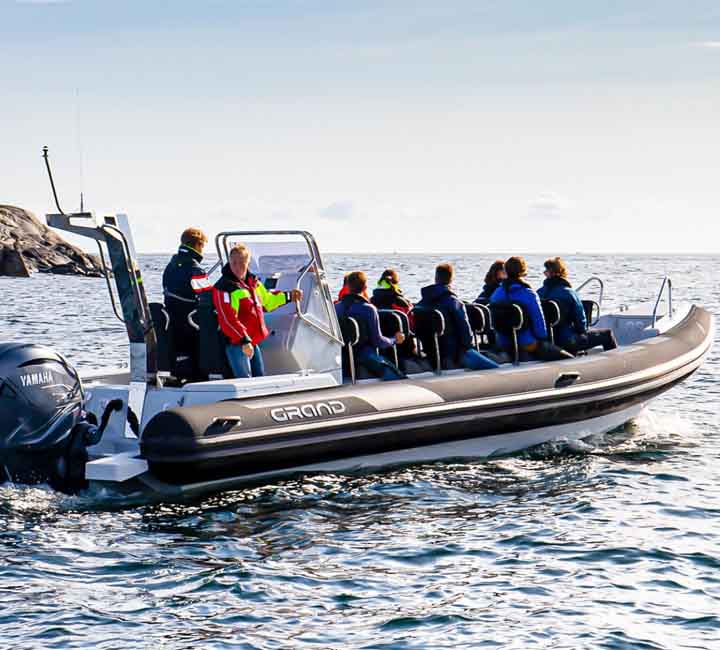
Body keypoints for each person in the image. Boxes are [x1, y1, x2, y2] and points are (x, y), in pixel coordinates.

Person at [213, 243, 303, 378]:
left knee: (259, 377)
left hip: (252, 342)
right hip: (237, 344)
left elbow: (268, 301)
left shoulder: (254, 283)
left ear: (248, 263)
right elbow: (228, 319)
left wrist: (290, 296)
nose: (237, 267)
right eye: (234, 263)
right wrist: (244, 341)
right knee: (245, 381)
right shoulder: (223, 287)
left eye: (241, 263)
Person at [416, 263, 499, 370]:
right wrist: (469, 347)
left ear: (436, 278)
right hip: (455, 355)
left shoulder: (422, 302)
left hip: (431, 352)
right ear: (451, 280)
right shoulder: (453, 301)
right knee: (495, 369)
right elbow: (465, 330)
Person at [490, 257, 573, 361]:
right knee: (568, 358)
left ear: (506, 271)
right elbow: (540, 326)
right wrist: (543, 340)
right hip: (527, 344)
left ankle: (506, 356)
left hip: (502, 342)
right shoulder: (529, 294)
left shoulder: (496, 294)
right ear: (523, 272)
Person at [335, 271, 406, 381]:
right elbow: (378, 341)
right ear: (365, 287)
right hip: (364, 356)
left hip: (342, 356)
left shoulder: (336, 308)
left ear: (347, 286)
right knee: (399, 376)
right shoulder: (369, 309)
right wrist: (394, 339)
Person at [538, 257, 618, 354]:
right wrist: (582, 332)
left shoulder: (539, 293)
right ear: (561, 272)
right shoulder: (570, 293)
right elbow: (581, 323)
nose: (544, 272)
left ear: (549, 273)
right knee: (607, 334)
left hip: (549, 342)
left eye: (546, 270)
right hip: (569, 341)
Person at [162, 227, 210, 378]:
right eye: (203, 246)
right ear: (198, 245)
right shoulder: (195, 269)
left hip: (173, 323)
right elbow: (208, 299)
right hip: (191, 325)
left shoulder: (170, 267)